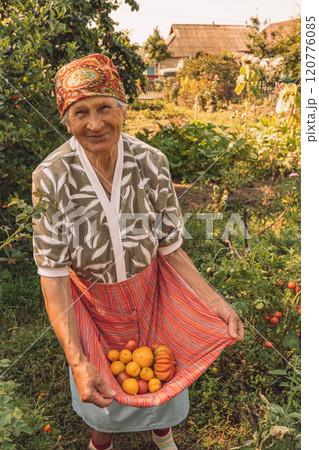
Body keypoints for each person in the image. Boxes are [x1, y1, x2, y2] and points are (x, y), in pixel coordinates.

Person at [32, 54, 244, 450]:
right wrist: (78, 361)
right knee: (100, 387)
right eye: (80, 112)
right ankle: (102, 440)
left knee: (161, 371)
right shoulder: (51, 177)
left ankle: (161, 433)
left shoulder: (151, 163)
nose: (95, 123)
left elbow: (172, 249)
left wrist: (214, 301)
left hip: (151, 296)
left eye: (104, 108)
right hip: (90, 304)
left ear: (123, 109)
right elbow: (54, 275)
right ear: (66, 119)